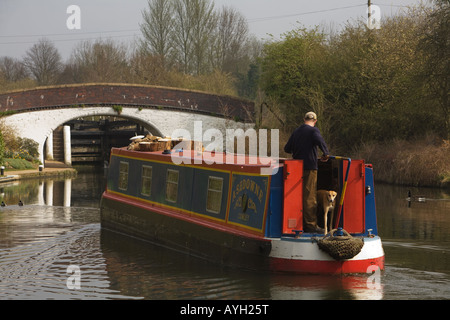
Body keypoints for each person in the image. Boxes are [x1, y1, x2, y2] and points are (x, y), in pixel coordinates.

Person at [284, 111, 329, 234]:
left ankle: (293, 223)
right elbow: (320, 142)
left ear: (304, 119)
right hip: (309, 167)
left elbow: (287, 148)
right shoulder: (314, 131)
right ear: (315, 121)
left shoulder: (296, 131)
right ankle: (310, 226)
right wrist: (326, 154)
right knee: (309, 197)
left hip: (295, 168)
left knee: (295, 196)